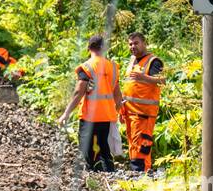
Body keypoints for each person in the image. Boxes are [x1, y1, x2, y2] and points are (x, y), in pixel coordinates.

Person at [58, 34, 125, 172]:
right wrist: (119, 112)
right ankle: (109, 174)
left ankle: (93, 174)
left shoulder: (87, 67)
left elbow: (78, 92)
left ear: (89, 48)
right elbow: (117, 94)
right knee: (104, 148)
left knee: (86, 147)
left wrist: (66, 113)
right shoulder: (112, 67)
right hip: (106, 116)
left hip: (89, 116)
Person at [122, 32, 165, 174]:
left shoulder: (153, 61)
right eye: (130, 44)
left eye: (136, 43)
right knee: (133, 144)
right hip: (129, 111)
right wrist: (121, 109)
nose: (132, 46)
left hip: (143, 113)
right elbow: (128, 86)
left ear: (144, 43)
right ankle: (139, 174)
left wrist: (143, 77)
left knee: (141, 145)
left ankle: (141, 174)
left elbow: (162, 81)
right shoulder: (132, 60)